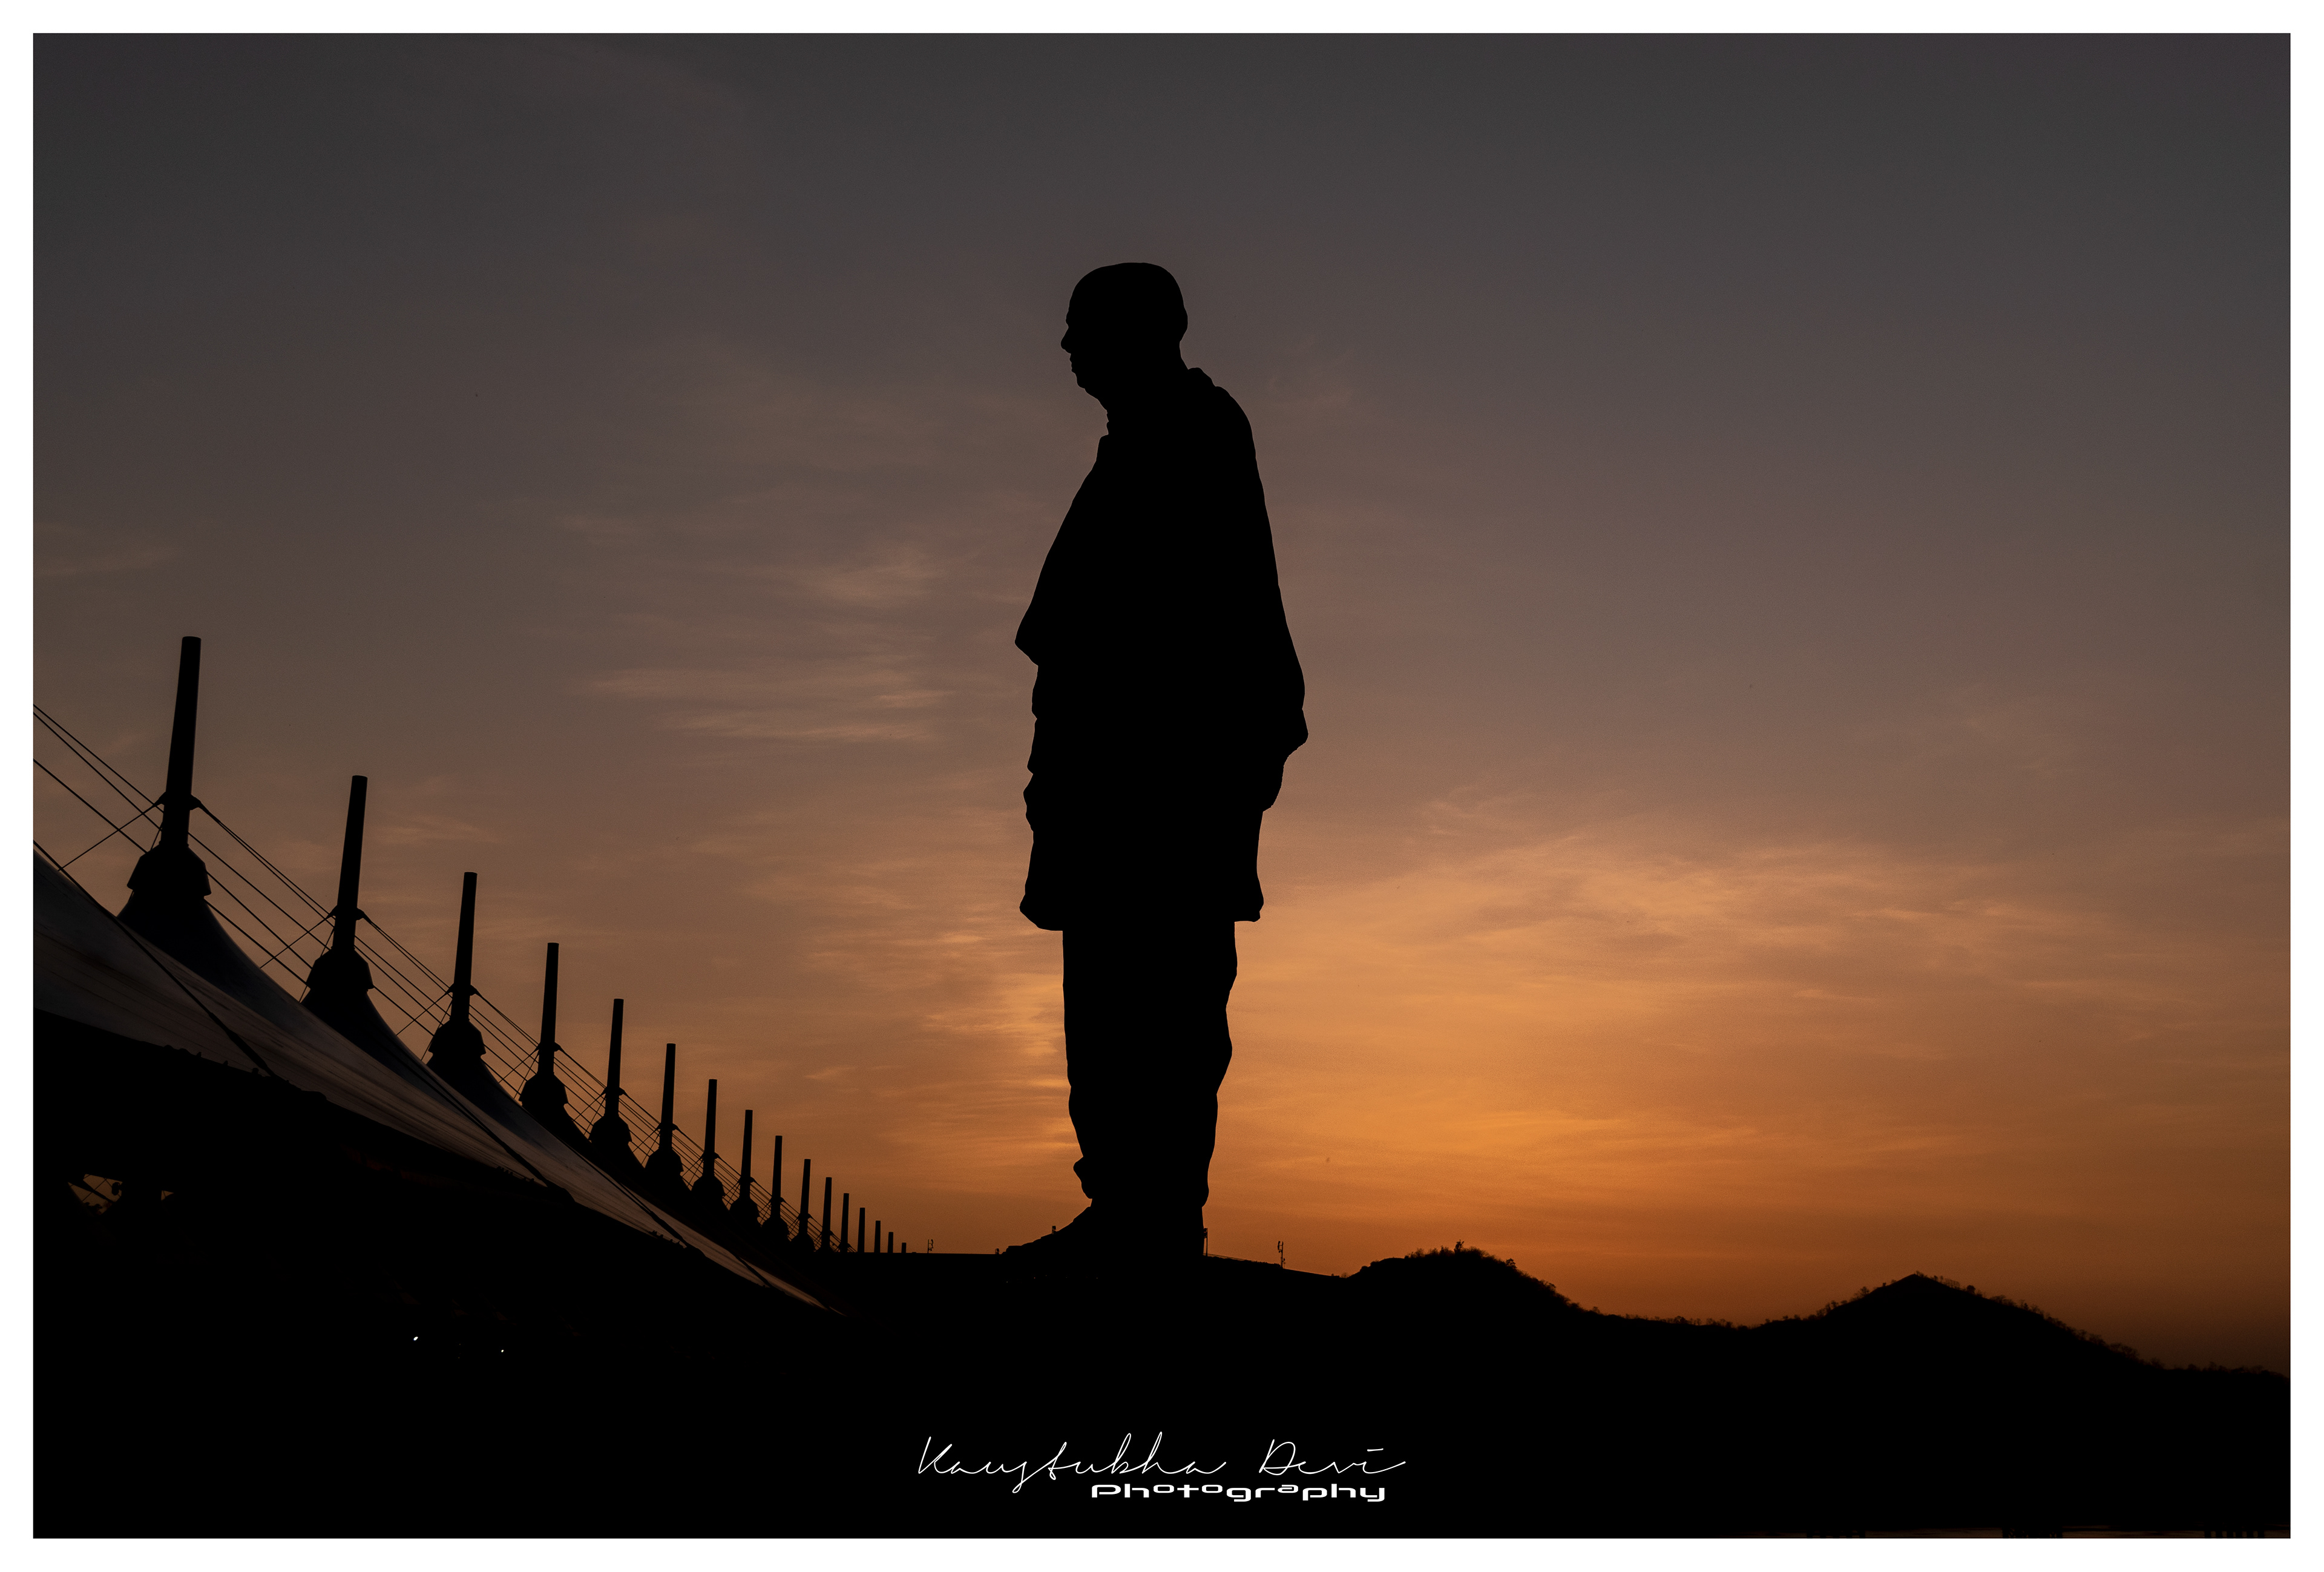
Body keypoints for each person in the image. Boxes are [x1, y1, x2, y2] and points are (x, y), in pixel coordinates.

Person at [1007, 263, 1307, 1263]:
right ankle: (1129, 1209)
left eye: (1080, 327)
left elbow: (1193, 623)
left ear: (1136, 333)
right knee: (1109, 1007)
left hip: (1161, 785)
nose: (1065, 347)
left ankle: (1151, 1220)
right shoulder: (1148, 441)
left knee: (1158, 1009)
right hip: (1116, 780)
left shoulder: (1193, 435)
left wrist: (1189, 762)